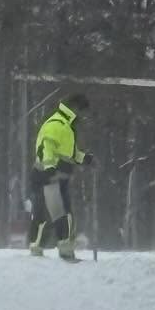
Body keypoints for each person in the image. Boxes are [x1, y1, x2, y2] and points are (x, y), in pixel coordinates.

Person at [28, 92, 93, 261]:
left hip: (57, 175)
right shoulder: (58, 124)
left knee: (58, 213)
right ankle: (56, 248)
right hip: (49, 175)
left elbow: (66, 153)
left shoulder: (66, 125)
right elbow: (46, 147)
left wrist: (83, 158)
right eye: (83, 112)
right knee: (57, 213)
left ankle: (47, 246)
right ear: (76, 109)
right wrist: (49, 168)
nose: (85, 117)